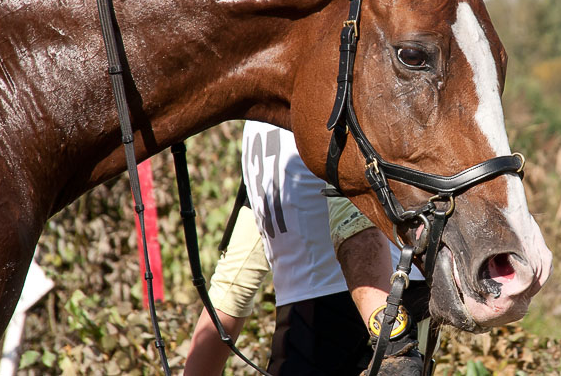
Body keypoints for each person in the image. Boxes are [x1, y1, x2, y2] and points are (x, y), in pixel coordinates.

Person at [184, 121, 429, 375]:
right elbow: (354, 227)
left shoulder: (258, 124)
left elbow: (231, 286)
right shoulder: (325, 97)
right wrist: (394, 342)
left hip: (323, 323)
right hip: (374, 312)